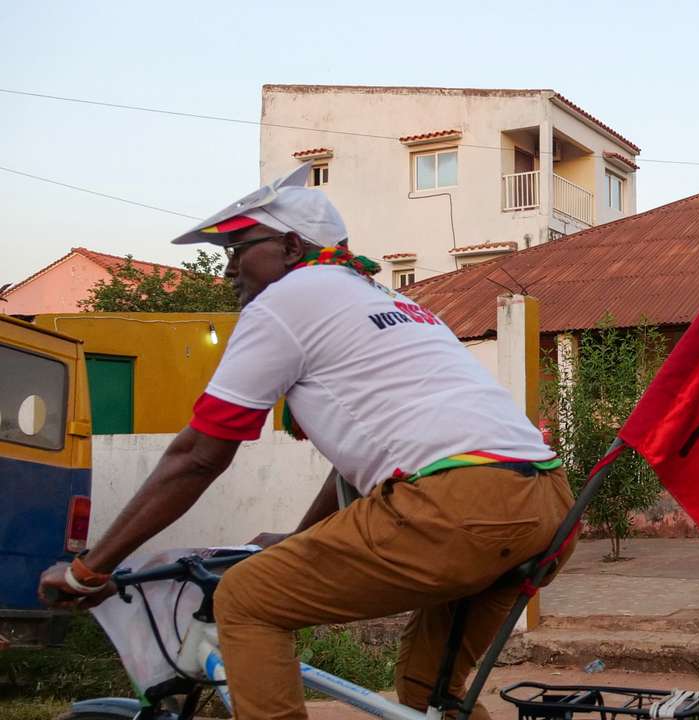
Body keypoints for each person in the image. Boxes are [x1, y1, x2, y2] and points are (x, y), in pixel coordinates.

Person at [38, 165, 573, 720]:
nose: (227, 270)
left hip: (456, 507)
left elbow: (198, 456)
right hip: (546, 506)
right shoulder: (382, 299)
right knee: (428, 692)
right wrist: (299, 540)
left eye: (238, 248)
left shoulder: (285, 302)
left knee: (245, 599)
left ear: (291, 246)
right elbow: (356, 461)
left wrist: (90, 570)